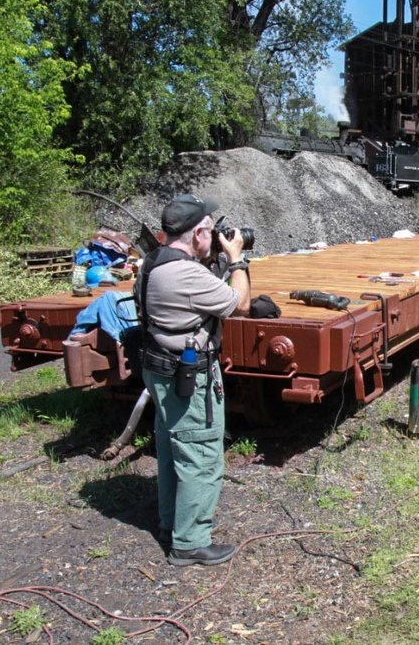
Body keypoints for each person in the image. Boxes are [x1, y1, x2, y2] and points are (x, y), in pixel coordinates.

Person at [137, 193, 251, 566]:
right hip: (187, 376)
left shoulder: (152, 261)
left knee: (173, 451)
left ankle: (175, 523)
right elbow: (241, 303)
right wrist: (237, 260)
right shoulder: (185, 272)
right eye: (210, 231)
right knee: (200, 453)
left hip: (160, 367)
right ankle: (190, 542)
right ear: (198, 234)